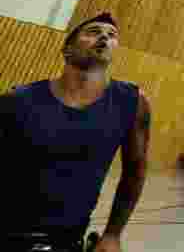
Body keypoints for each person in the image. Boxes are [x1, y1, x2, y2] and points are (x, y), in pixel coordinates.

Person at [0, 13, 151, 252]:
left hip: (68, 239)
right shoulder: (18, 100)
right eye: (93, 31)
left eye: (112, 35)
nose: (104, 37)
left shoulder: (131, 101)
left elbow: (135, 171)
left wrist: (112, 235)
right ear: (67, 50)